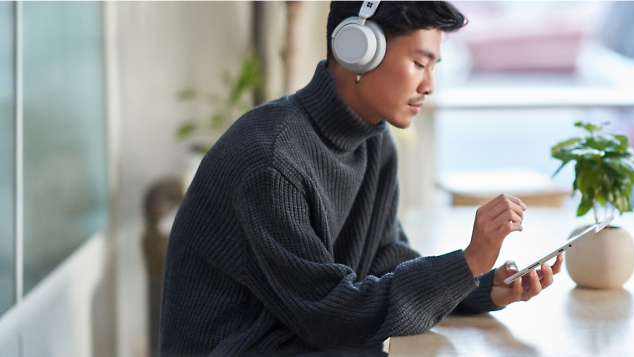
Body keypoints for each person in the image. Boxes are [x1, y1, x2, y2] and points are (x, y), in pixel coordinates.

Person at [159, 1, 563, 356]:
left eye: (434, 66)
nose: (429, 85)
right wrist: (469, 260)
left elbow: (383, 258)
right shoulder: (271, 162)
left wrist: (480, 285)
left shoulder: (372, 140)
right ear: (359, 51)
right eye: (419, 63)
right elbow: (331, 316)